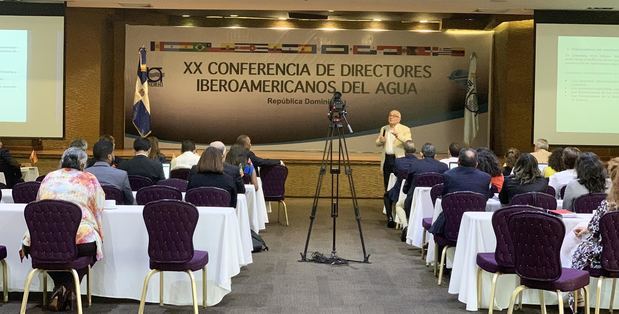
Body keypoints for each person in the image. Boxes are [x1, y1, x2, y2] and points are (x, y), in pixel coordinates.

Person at [20, 147, 104, 311]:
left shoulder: (49, 177)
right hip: (77, 239)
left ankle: (60, 288)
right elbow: (98, 206)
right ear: (82, 163)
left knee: (54, 255)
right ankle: (68, 288)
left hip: (39, 240)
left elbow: (38, 204)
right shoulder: (89, 179)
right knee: (92, 246)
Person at [569, 157, 619, 312]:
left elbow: (596, 228)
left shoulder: (607, 206)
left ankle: (576, 296)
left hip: (608, 257)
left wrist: (587, 229)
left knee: (580, 251)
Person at [403, 142, 448, 218]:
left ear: (421, 154)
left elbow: (408, 184)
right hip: (435, 202)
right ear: (435, 154)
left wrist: (405, 191)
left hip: (414, 201)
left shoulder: (414, 165)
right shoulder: (443, 167)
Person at [85, 140, 135, 205]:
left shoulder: (84, 174)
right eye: (113, 153)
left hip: (91, 212)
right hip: (117, 212)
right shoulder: (122, 175)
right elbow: (129, 200)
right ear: (109, 156)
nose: (114, 155)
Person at [382, 140, 418, 228]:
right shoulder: (419, 163)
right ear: (415, 150)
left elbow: (395, 173)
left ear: (404, 150)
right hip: (414, 193)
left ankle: (390, 218)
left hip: (399, 191)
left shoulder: (398, 161)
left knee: (387, 196)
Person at [376, 110, 413, 191]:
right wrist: (381, 141)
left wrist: (398, 135)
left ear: (399, 119)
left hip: (399, 159)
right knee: (387, 181)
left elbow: (409, 142)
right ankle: (387, 202)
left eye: (393, 116)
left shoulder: (405, 129)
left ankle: (397, 202)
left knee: (399, 181)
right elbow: (377, 143)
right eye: (390, 115)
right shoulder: (384, 128)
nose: (391, 117)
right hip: (387, 159)